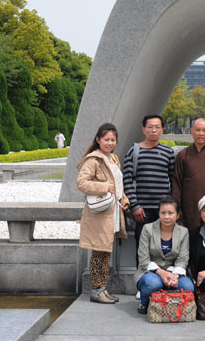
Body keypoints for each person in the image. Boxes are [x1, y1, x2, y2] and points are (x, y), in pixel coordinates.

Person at [76, 123, 130, 304]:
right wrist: (104, 187)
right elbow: (81, 183)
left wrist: (124, 199)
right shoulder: (93, 160)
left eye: (113, 140)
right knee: (99, 252)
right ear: (98, 139)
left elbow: (118, 184)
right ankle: (96, 291)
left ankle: (101, 289)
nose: (110, 143)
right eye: (106, 139)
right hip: (99, 214)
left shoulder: (113, 158)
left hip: (112, 212)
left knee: (105, 252)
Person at [123, 114, 176, 265]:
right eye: (150, 127)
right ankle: (142, 278)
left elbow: (173, 180)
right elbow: (127, 179)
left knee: (164, 249)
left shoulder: (168, 152)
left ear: (162, 130)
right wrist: (135, 205)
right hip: (142, 211)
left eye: (157, 127)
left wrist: (172, 207)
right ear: (143, 129)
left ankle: (162, 278)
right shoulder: (134, 151)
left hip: (163, 211)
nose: (153, 130)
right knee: (143, 249)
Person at [134, 196, 195, 314]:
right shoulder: (148, 229)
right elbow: (143, 259)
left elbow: (182, 259)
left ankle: (169, 303)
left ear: (177, 215)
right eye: (163, 213)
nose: (166, 216)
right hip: (149, 272)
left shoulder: (183, 232)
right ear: (159, 213)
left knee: (188, 287)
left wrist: (174, 276)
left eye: (170, 213)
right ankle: (144, 302)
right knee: (153, 284)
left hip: (173, 272)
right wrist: (162, 273)